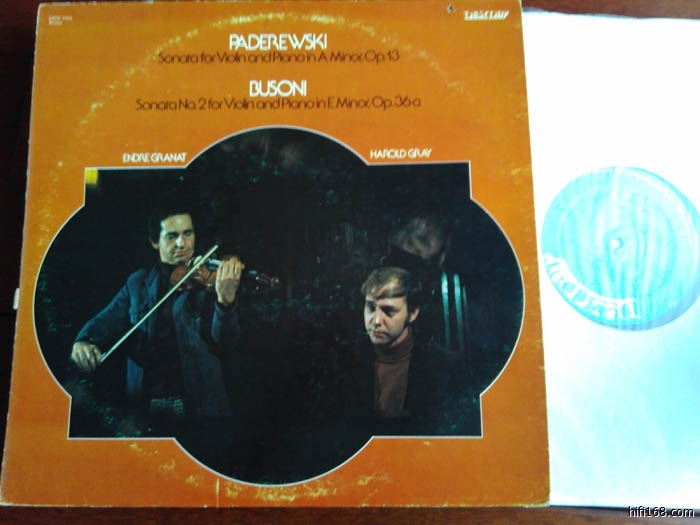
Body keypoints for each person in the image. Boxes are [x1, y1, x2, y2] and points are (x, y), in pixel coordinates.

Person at [70, 203, 243, 435]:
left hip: (200, 407)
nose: (182, 243)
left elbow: (226, 343)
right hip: (144, 409)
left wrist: (225, 303)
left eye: (188, 233)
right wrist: (83, 341)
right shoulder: (138, 283)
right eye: (172, 236)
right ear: (154, 241)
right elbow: (105, 321)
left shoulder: (210, 282)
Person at [351, 267, 477, 435]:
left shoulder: (445, 366)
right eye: (371, 308)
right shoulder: (348, 362)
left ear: (412, 313)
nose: (376, 321)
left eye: (388, 311)